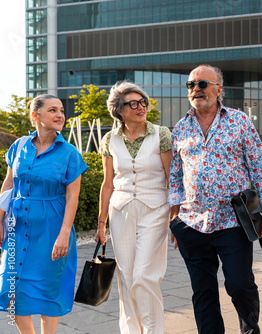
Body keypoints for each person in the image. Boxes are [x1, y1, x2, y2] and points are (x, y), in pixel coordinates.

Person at [168, 64, 262, 334]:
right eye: (191, 85)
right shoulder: (180, 128)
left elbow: (260, 168)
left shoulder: (239, 121)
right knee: (202, 291)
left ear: (219, 89)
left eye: (202, 84)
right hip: (191, 224)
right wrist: (174, 218)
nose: (196, 89)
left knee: (240, 284)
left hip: (233, 221)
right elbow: (175, 176)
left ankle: (250, 330)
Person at [0, 94, 88, 333]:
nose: (60, 115)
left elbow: (72, 197)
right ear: (35, 116)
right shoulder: (18, 146)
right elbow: (9, 184)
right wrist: (0, 220)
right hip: (16, 227)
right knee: (11, 287)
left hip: (52, 228)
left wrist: (64, 234)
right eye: (52, 110)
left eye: (61, 110)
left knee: (49, 289)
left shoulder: (70, 153)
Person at [94, 81, 172, 334]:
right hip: (121, 211)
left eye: (143, 102)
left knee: (144, 275)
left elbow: (172, 178)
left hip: (156, 209)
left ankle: (153, 331)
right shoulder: (110, 139)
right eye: (133, 104)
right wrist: (101, 224)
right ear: (119, 110)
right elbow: (108, 184)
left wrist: (176, 217)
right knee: (126, 278)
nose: (141, 107)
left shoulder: (161, 134)